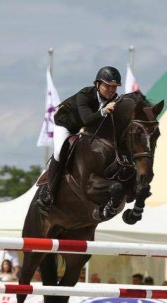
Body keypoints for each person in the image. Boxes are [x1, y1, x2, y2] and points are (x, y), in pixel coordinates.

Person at [36, 66, 122, 213]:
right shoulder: (85, 95)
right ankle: (48, 191)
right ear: (97, 84)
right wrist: (104, 111)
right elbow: (87, 119)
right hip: (66, 124)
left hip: (86, 128)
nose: (112, 90)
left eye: (114, 87)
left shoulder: (115, 99)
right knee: (59, 150)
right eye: (108, 86)